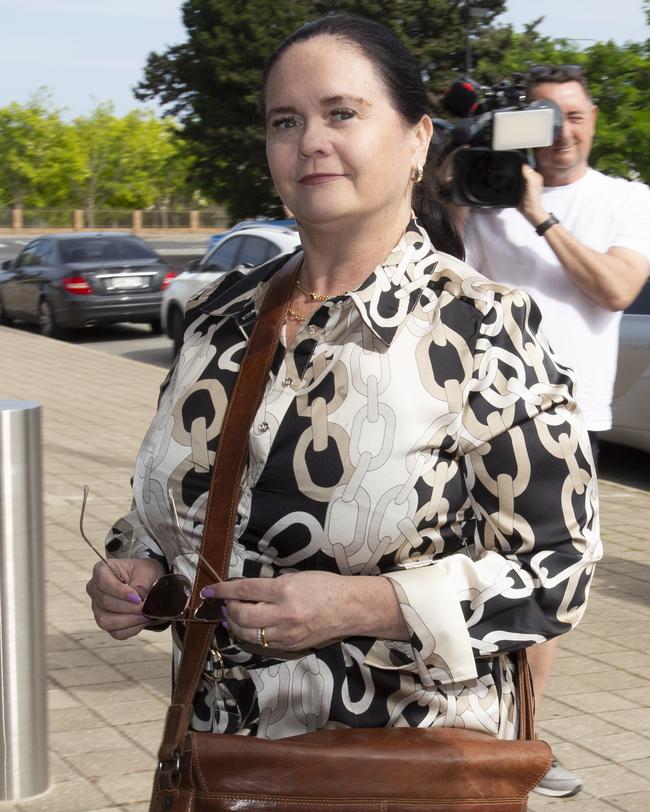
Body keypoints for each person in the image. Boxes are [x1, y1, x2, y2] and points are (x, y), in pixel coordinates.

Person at [86, 15, 600, 745]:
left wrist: (367, 605)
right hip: (219, 763)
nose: (310, 142)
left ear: (418, 140)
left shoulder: (484, 326)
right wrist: (133, 565)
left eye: (342, 113)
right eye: (285, 120)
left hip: (398, 783)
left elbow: (560, 570)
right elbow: (173, 501)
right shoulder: (218, 315)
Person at [464, 64, 650, 796]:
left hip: (566, 428)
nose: (563, 132)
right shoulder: (482, 202)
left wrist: (538, 214)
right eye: (544, 118)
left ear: (594, 119)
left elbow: (614, 288)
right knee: (461, 586)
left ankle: (522, 746)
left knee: (543, 598)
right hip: (477, 422)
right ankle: (458, 733)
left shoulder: (626, 199)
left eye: (574, 115)